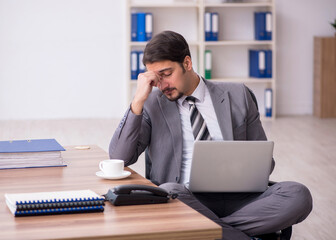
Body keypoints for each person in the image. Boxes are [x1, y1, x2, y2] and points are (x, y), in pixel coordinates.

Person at [109, 30, 312, 240]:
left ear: (187, 63)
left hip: (242, 198)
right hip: (184, 198)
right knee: (170, 190)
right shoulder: (151, 104)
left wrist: (243, 169)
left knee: (298, 194)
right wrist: (137, 102)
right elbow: (120, 157)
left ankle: (209, 231)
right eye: (155, 78)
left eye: (167, 74)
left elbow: (264, 163)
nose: (162, 85)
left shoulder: (238, 94)